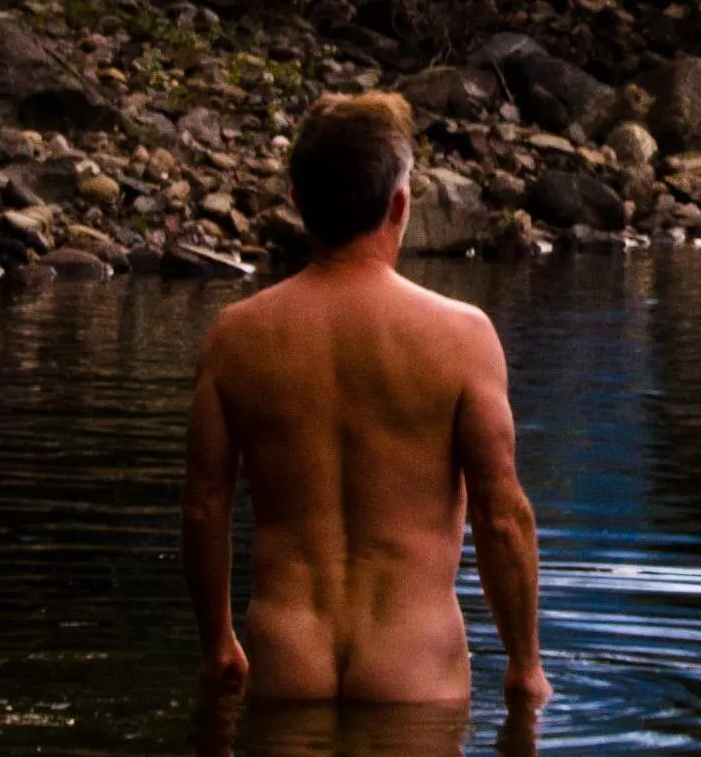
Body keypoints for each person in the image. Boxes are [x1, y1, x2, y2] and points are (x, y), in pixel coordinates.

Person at [183, 90, 547, 707]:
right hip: (412, 670)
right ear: (399, 204)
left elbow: (203, 507)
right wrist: (525, 664)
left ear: (297, 202)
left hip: (286, 662)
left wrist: (218, 642)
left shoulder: (236, 338)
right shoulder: (461, 337)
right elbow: (501, 517)